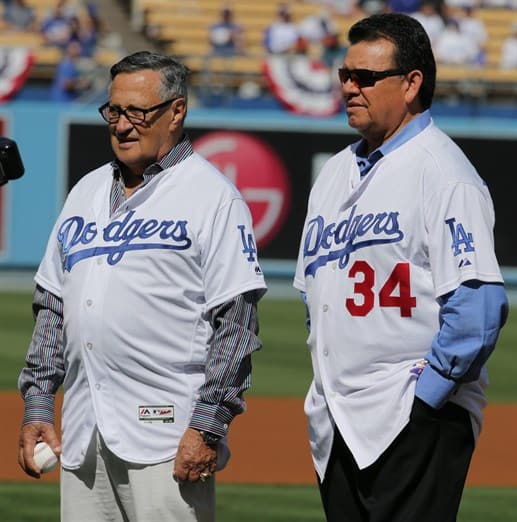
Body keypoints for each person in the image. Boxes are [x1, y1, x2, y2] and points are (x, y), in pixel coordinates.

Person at [18, 50, 267, 522]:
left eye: (138, 111)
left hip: (167, 437)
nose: (122, 124)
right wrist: (38, 406)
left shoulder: (213, 196)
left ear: (176, 112)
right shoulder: (85, 192)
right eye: (114, 110)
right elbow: (53, 307)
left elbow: (235, 325)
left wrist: (207, 427)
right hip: (84, 435)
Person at [293, 12, 508, 522]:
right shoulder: (336, 172)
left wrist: (423, 400)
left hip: (412, 417)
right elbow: (314, 293)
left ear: (411, 83)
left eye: (365, 77)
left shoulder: (443, 173)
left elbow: (478, 311)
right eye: (345, 75)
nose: (349, 87)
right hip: (339, 420)